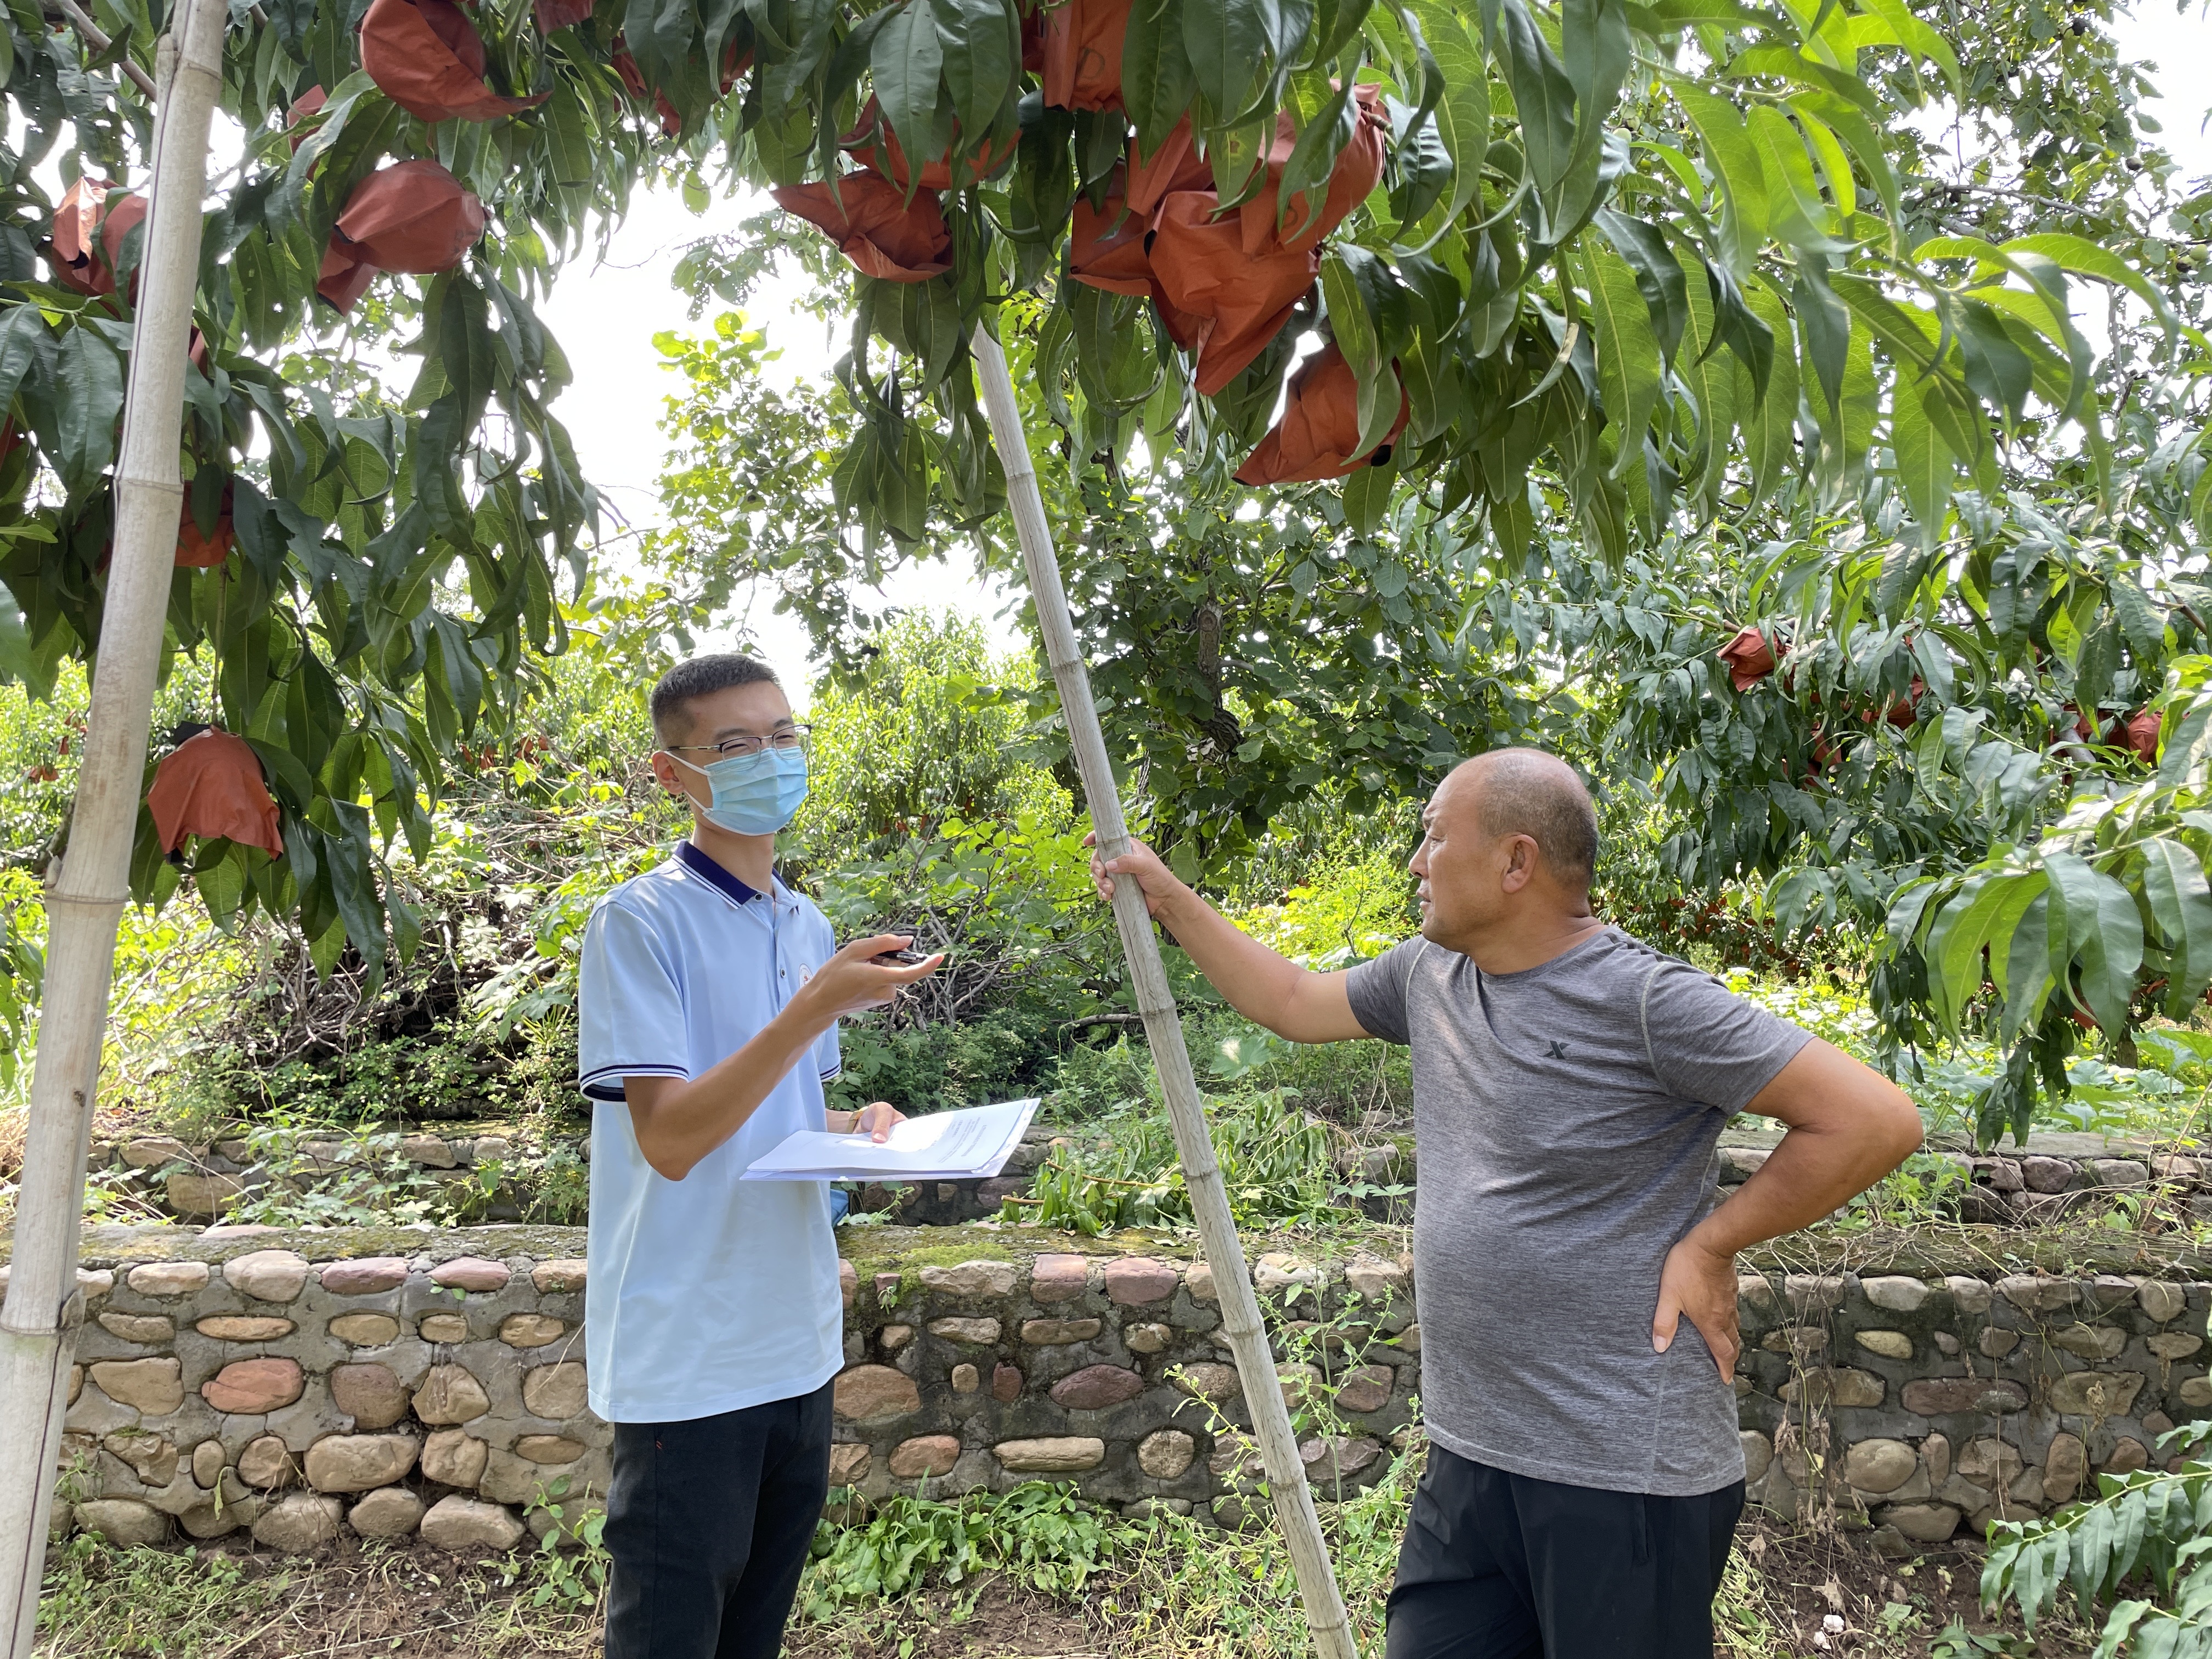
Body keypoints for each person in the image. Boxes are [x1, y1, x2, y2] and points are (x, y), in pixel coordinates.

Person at [1091, 748, 1923, 1659]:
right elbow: (1290, 1000)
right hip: (1472, 1459)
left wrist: (1713, 1244)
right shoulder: (1430, 977)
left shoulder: (1646, 1000)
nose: (1417, 863)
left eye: (1435, 838)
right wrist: (1168, 897)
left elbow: (1873, 1120)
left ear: (1516, 861)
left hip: (1623, 1476)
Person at [577, 653, 941, 1659]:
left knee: (754, 1638)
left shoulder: (804, 921)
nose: (769, 759)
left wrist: (859, 1128)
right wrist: (811, 1009)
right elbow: (671, 1138)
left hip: (797, 1340)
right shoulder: (638, 923)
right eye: (734, 744)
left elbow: (782, 1110)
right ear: (674, 773)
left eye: (783, 736)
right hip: (691, 1354)